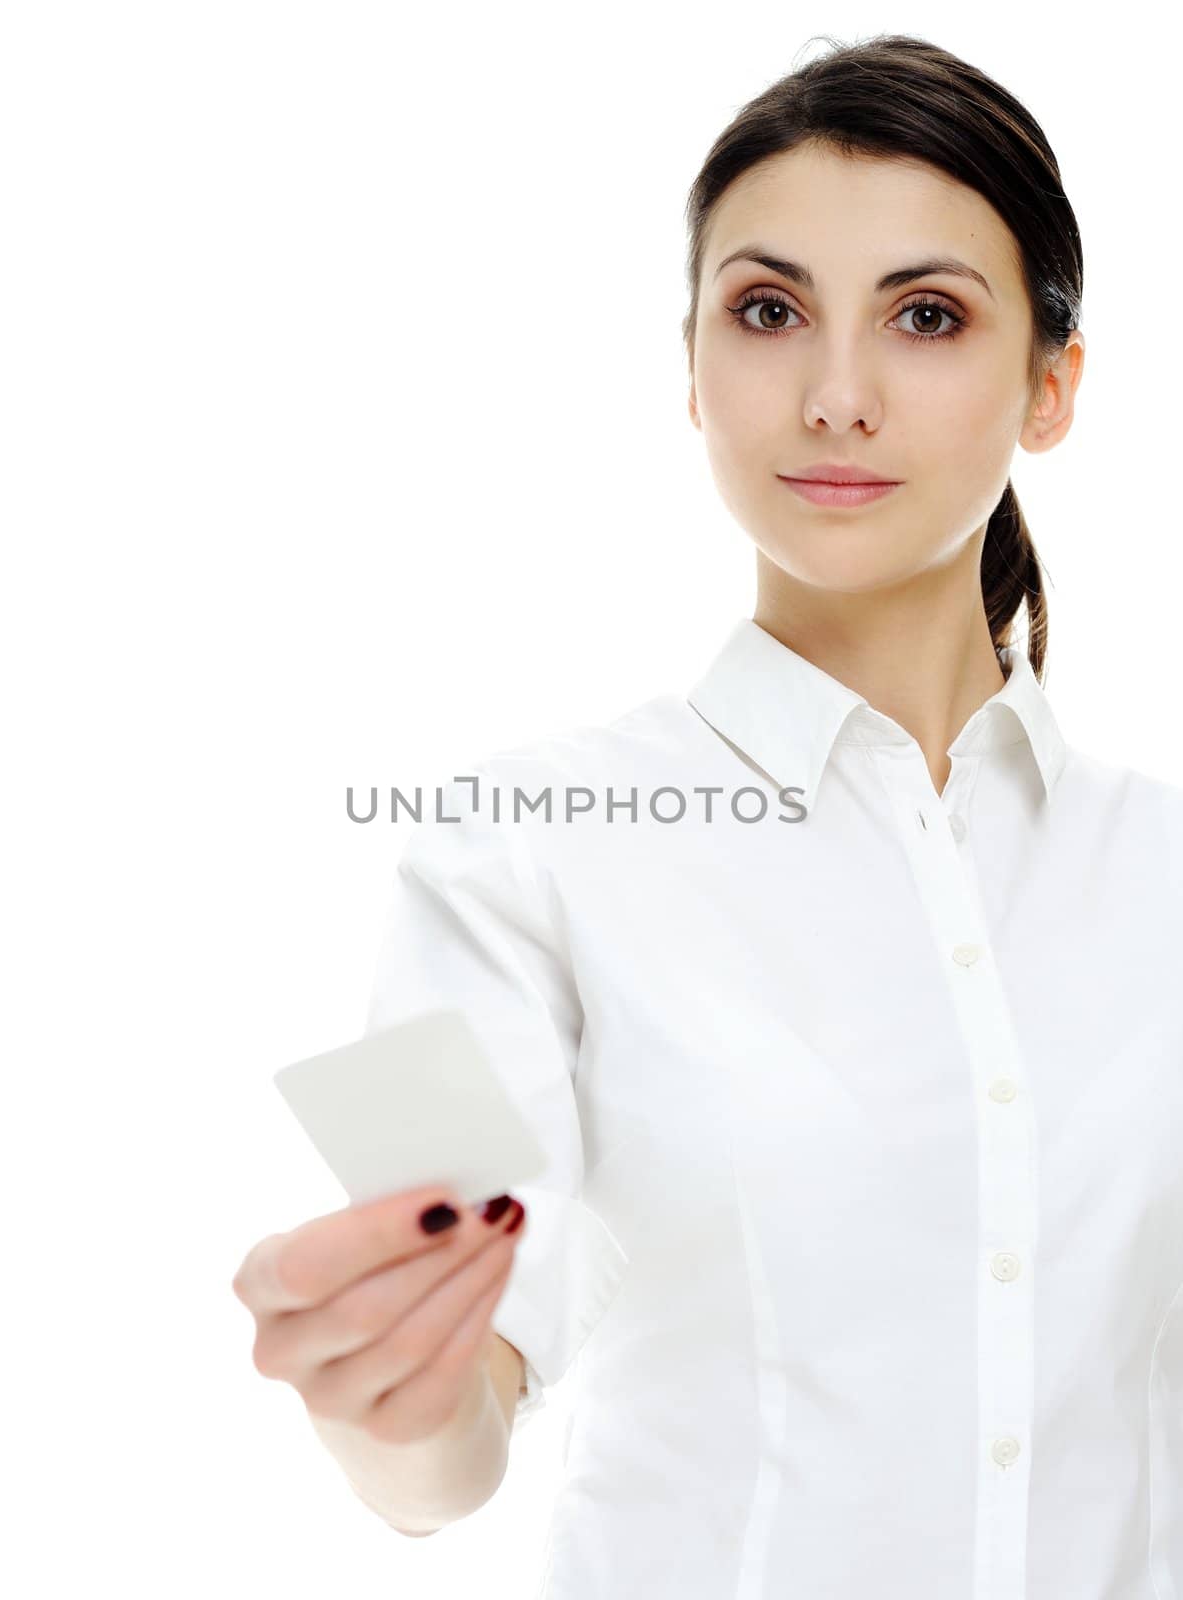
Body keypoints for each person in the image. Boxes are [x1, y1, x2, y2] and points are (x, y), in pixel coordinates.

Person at [234, 32, 1183, 1596]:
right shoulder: (507, 851)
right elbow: (450, 1425)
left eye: (926, 317)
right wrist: (383, 1401)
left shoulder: (1160, 878)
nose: (833, 395)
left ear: (1052, 388)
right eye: (766, 311)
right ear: (689, 369)